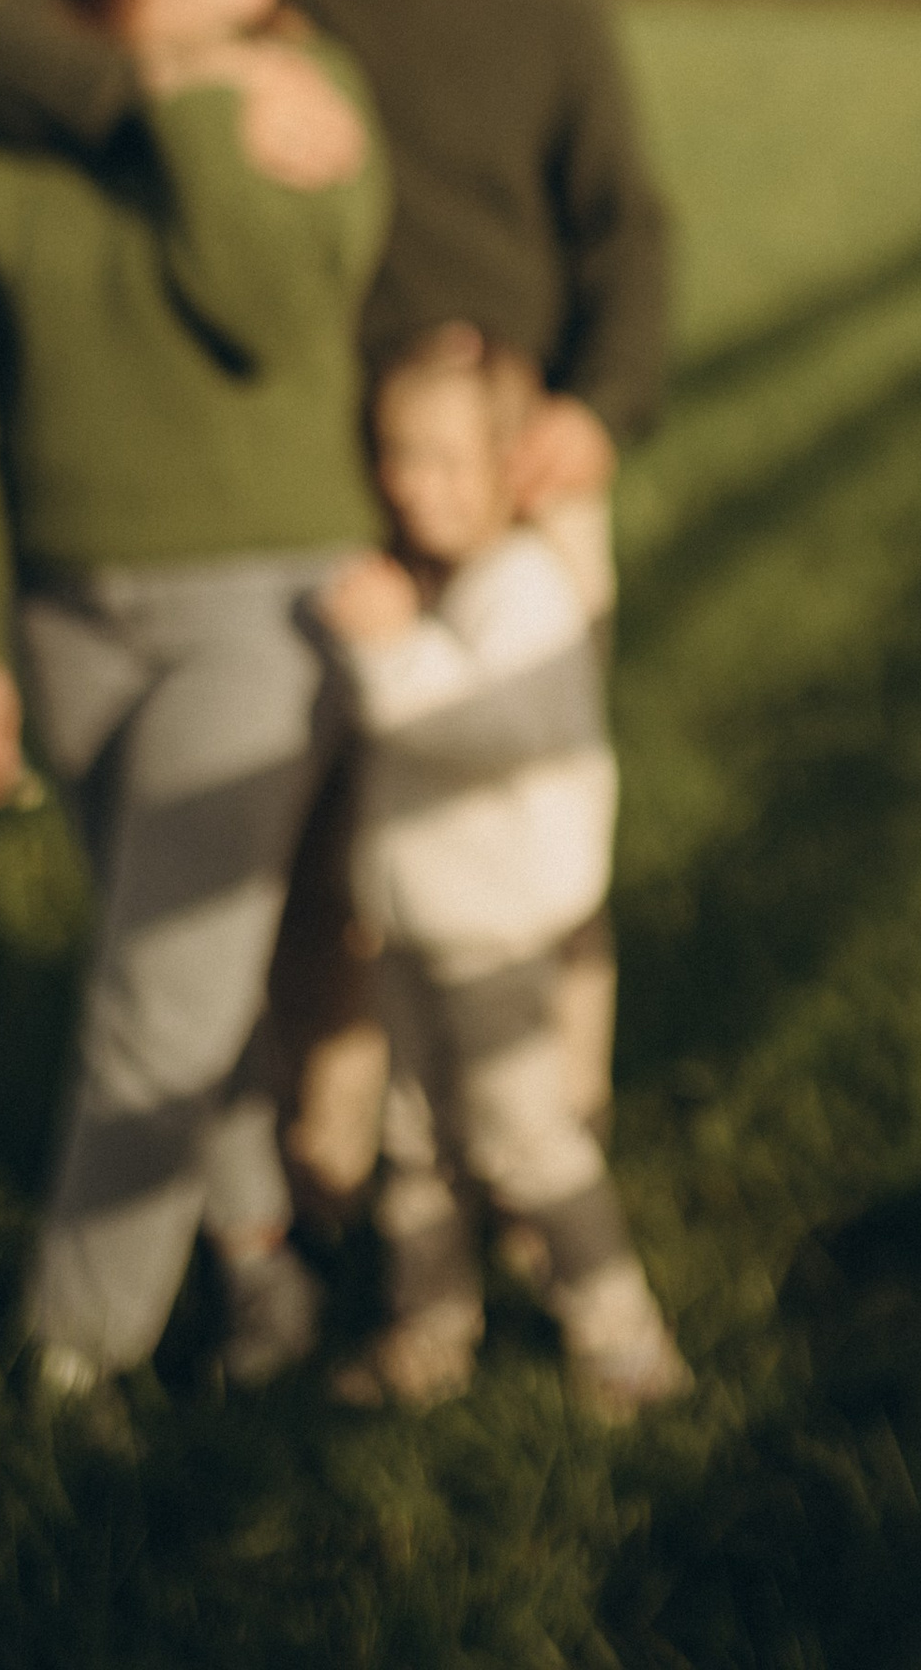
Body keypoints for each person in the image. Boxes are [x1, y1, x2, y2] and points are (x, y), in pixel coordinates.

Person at [0, 0, 670, 1174]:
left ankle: (540, 1143)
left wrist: (599, 412)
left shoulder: (544, 3)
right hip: (345, 475)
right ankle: (340, 1166)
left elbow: (628, 233)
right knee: (335, 853)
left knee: (526, 826)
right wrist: (177, 77)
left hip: (517, 475)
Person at [0, 0, 390, 1410]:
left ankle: (69, 1351)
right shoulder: (28, 118)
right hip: (63, 622)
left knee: (157, 997)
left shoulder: (310, 103)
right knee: (174, 977)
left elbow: (264, 311)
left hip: (262, 616)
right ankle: (260, 1277)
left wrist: (200, 105)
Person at [316, 325, 688, 1416]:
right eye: (396, 454)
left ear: (509, 465)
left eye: (443, 459)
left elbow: (481, 724)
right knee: (414, 1143)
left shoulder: (528, 590)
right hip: (421, 925)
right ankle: (429, 1332)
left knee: (527, 1140)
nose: (411, 484)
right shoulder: (447, 579)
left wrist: (386, 646)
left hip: (497, 934)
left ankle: (625, 1342)